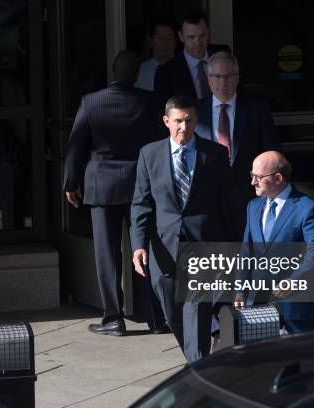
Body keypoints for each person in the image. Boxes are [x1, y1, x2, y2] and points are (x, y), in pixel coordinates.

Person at [130, 94, 241, 363]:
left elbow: (228, 204)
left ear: (196, 120)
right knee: (172, 312)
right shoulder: (149, 154)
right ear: (166, 121)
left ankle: (197, 365)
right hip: (164, 247)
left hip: (203, 243)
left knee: (197, 310)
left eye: (189, 121)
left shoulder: (214, 154)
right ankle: (195, 355)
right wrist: (138, 246)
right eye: (178, 121)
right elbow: (141, 203)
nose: (184, 127)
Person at [63, 50, 166, 337]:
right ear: (136, 74)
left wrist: (70, 182)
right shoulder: (149, 102)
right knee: (143, 249)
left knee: (106, 255)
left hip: (102, 187)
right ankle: (155, 317)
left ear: (113, 71)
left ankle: (113, 318)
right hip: (140, 187)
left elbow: (76, 147)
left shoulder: (91, 102)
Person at [234, 151, 314, 334]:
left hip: (298, 303)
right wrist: (240, 289)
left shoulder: (307, 208)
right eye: (252, 176)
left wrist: (292, 281)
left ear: (278, 178)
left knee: (302, 358)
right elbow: (247, 251)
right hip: (260, 301)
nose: (253, 182)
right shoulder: (253, 206)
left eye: (258, 177)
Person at [195, 51, 282, 212]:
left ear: (237, 77)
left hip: (249, 197)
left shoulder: (257, 110)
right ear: (208, 79)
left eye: (228, 76)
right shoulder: (195, 112)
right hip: (208, 199)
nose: (223, 83)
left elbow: (272, 151)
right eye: (217, 76)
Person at [154, 13, 231, 106]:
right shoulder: (166, 73)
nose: (198, 42)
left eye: (202, 35)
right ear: (181, 36)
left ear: (208, 33)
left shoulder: (222, 53)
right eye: (191, 37)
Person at [134, 19, 177, 91]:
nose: (164, 44)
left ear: (176, 41)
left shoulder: (186, 69)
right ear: (150, 41)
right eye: (160, 39)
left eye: (169, 39)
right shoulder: (139, 71)